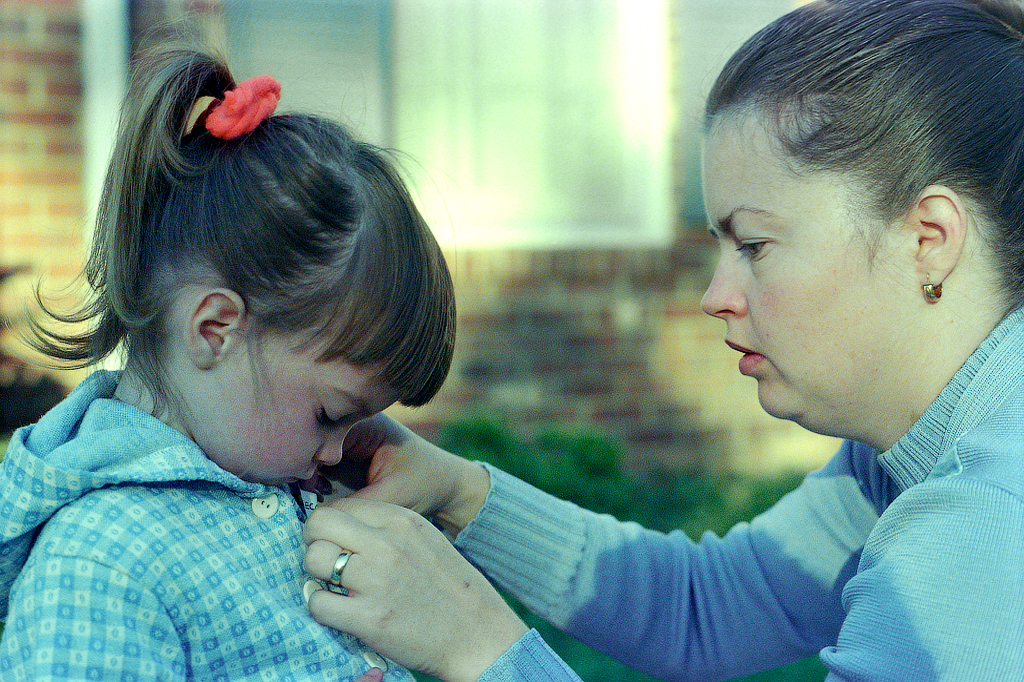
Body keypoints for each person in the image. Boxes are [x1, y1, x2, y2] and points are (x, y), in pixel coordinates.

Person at [300, 1, 1024, 680]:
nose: (716, 297)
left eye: (757, 244)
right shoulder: (903, 460)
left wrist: (478, 645)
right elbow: (708, 607)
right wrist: (459, 490)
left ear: (928, 239)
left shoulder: (983, 526)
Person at [0, 44, 455, 682]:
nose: (337, 454)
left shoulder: (264, 490)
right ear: (216, 330)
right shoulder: (103, 566)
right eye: (328, 415)